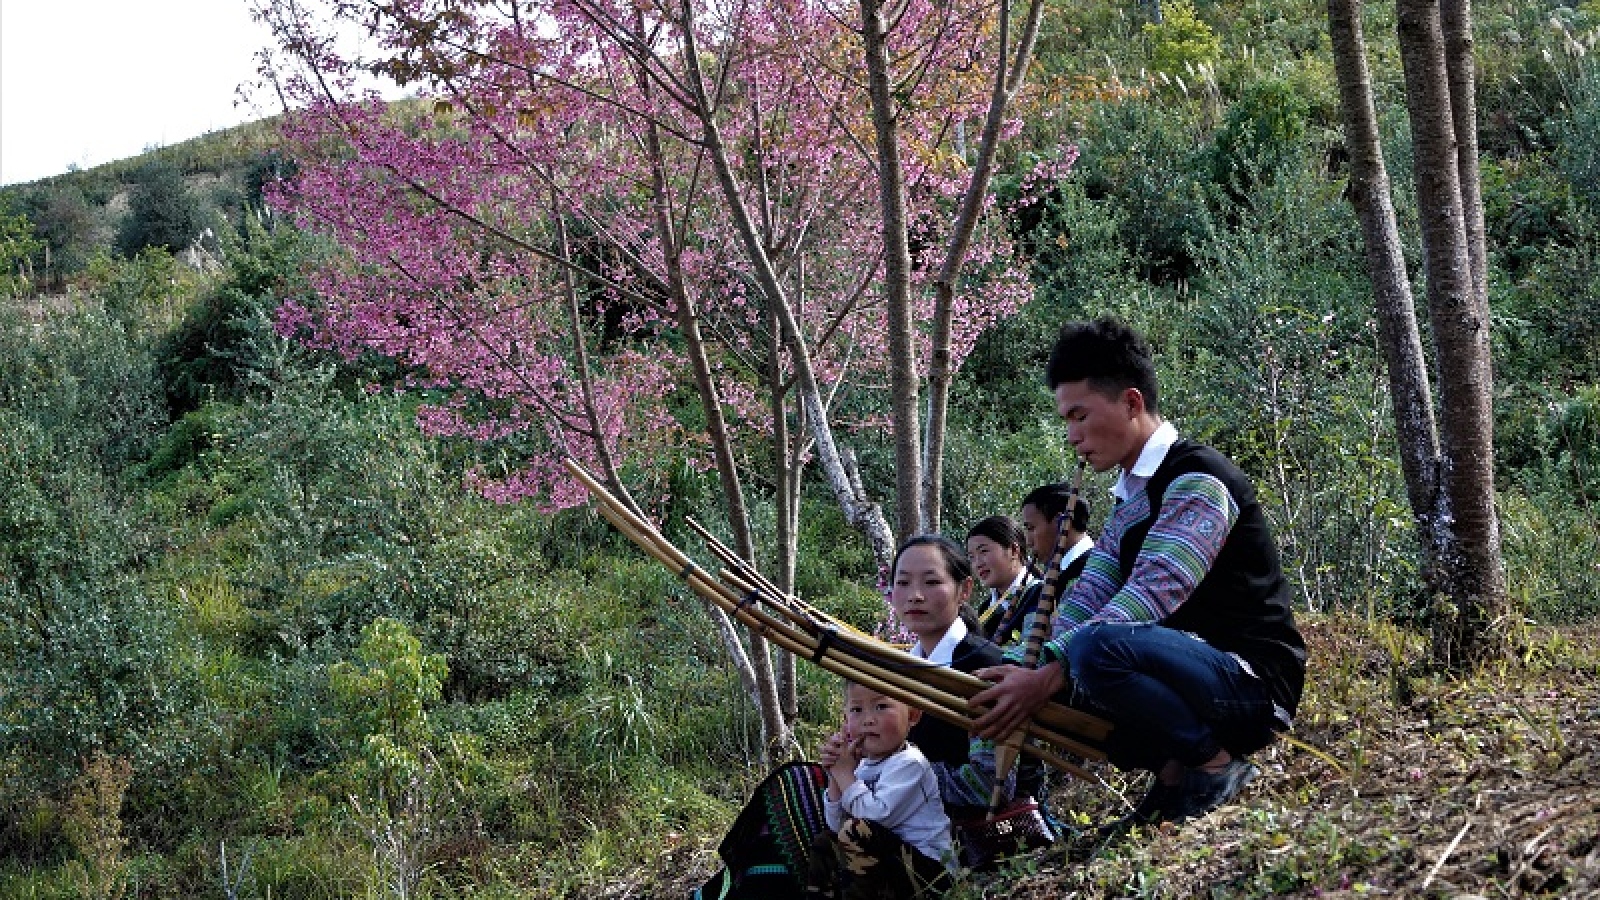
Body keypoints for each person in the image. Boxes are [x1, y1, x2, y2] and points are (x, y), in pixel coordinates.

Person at [972, 317, 1308, 826]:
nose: (1072, 436)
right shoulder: (1130, 498)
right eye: (1067, 421)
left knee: (1092, 650)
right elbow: (1088, 597)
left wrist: (1048, 673)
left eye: (1080, 417)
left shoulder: (1197, 477)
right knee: (1068, 651)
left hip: (1249, 685)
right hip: (1189, 677)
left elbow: (1152, 593)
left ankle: (1216, 766)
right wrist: (1017, 665)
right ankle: (1174, 775)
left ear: (1131, 403)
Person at [890, 535, 1016, 820]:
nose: (915, 595)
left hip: (973, 837)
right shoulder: (901, 669)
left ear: (965, 590)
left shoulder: (984, 667)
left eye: (932, 582)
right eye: (903, 582)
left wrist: (896, 775)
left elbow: (990, 786)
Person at [806, 682, 953, 898]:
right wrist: (836, 775)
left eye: (881, 706)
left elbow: (874, 819)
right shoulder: (862, 765)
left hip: (931, 874)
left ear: (913, 715)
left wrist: (847, 775)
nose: (868, 720)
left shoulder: (911, 764)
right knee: (825, 841)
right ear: (846, 722)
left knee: (857, 830)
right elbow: (837, 825)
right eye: (857, 710)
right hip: (891, 867)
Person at [964, 516, 1037, 646]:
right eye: (971, 557)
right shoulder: (985, 608)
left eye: (984, 551)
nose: (977, 564)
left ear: (1014, 550)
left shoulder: (1038, 593)